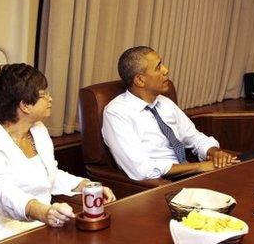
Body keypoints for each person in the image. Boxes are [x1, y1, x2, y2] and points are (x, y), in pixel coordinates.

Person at [0, 64, 116, 244]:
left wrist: (88, 186)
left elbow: (49, 175)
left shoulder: (37, 130)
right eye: (44, 94)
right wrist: (44, 212)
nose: (50, 99)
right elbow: (2, 192)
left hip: (38, 225)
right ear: (25, 105)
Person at [102, 46, 239, 181]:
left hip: (190, 173)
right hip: (164, 183)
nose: (166, 70)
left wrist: (215, 153)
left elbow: (196, 138)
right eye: (158, 67)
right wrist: (200, 167)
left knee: (250, 164)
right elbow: (142, 170)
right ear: (140, 80)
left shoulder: (164, 103)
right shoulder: (116, 113)